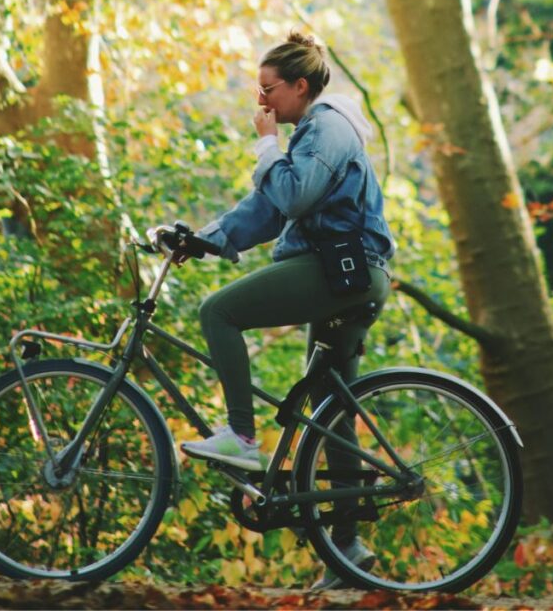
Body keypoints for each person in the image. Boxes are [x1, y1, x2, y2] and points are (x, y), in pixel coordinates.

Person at [159, 31, 394, 588]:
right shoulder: (312, 133)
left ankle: (241, 435)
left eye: (268, 90)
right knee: (332, 412)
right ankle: (348, 549)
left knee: (219, 312)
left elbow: (291, 196)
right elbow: (268, 208)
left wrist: (266, 146)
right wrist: (202, 239)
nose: (261, 102)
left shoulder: (328, 127)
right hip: (348, 275)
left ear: (300, 86)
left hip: (344, 271)